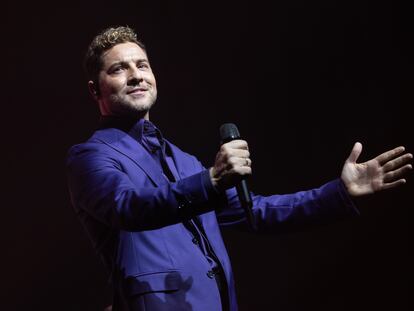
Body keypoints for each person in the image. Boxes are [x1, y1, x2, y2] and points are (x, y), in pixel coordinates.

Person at [66, 26, 412, 311]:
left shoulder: (183, 160)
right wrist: (212, 179)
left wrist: (339, 192)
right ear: (95, 89)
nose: (136, 76)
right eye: (118, 69)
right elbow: (130, 207)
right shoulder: (91, 156)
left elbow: (255, 211)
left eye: (142, 65)